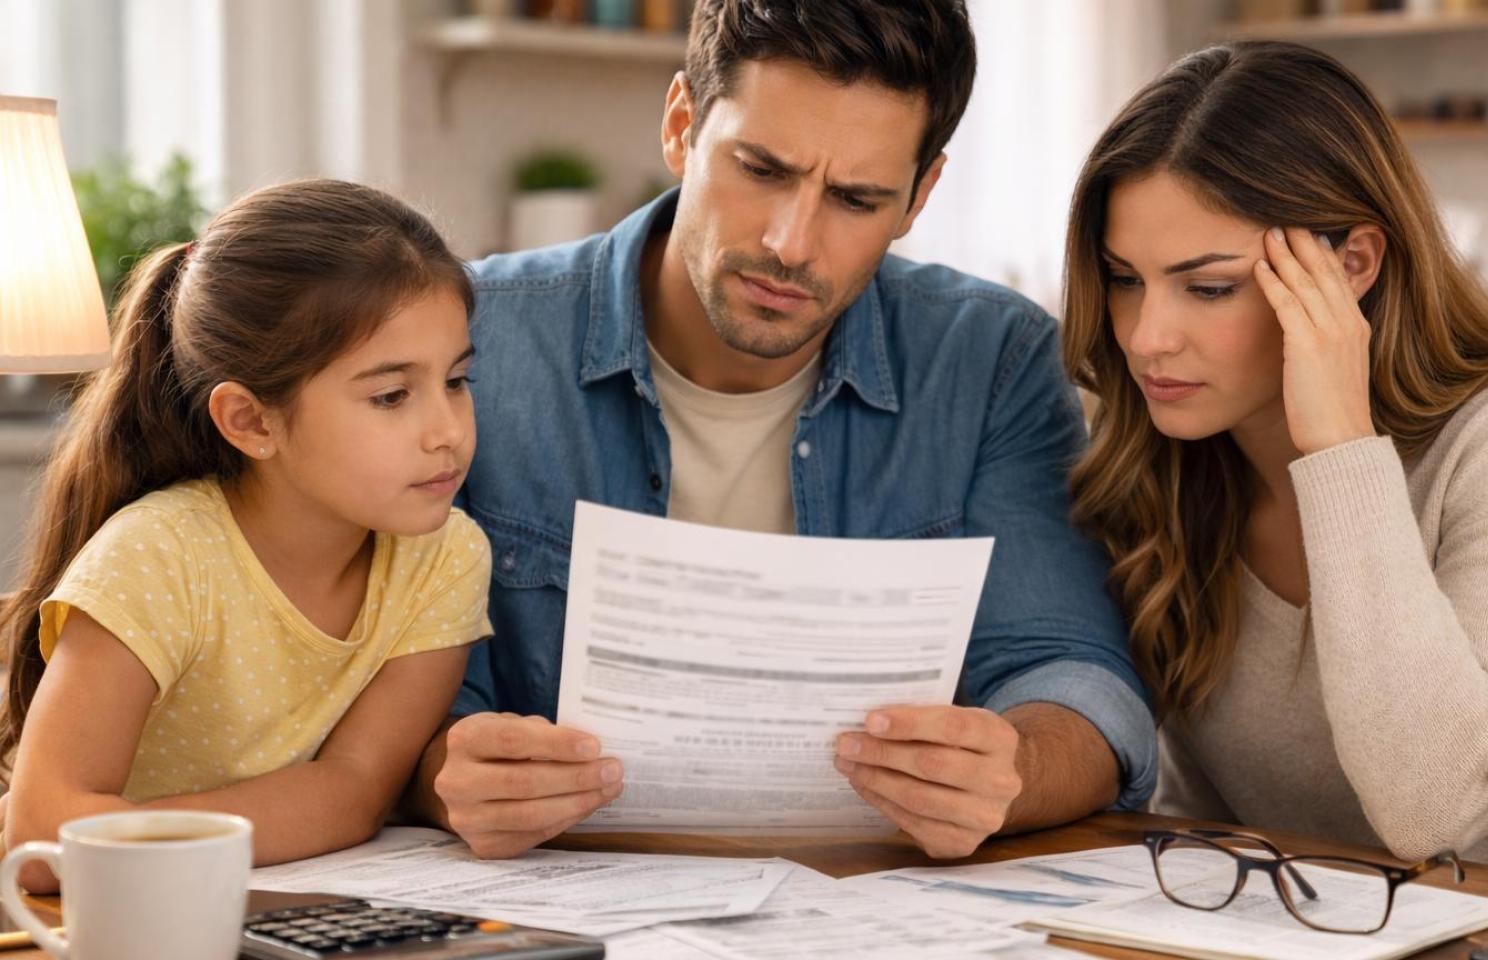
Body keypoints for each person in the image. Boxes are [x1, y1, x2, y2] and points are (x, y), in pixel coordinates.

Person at [408, 0, 1157, 860]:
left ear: (920, 196)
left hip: (869, 904)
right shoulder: (471, 343)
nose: (791, 243)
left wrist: (1012, 770)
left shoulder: (989, 359)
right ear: (683, 124)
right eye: (761, 169)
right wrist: (444, 776)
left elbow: (1079, 680)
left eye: (856, 199)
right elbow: (387, 702)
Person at [1060, 41, 1488, 896]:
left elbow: (1434, 808)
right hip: (1329, 935)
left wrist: (1340, 449)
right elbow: (1197, 814)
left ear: (1353, 265)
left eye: (1208, 288)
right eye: (1123, 279)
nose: (1147, 338)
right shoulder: (1163, 460)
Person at [0, 179, 493, 889]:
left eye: (456, 380)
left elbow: (358, 791)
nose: (448, 431)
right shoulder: (159, 556)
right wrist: (312, 807)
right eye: (391, 396)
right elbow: (44, 837)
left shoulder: (445, 557)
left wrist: (127, 831)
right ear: (252, 422)